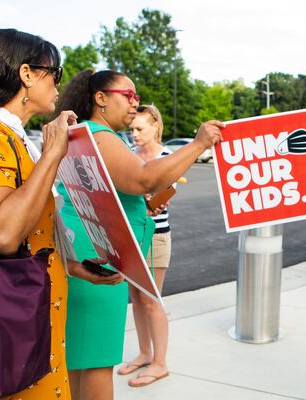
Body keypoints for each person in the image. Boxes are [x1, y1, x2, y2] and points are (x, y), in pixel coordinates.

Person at [0, 29, 118, 400]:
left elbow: (30, 229)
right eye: (55, 71)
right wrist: (53, 153)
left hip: (28, 318)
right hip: (5, 326)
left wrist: (71, 264)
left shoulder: (11, 135)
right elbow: (3, 234)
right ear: (26, 74)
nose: (59, 83)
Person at [56, 70, 223, 398]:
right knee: (96, 362)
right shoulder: (100, 135)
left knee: (80, 359)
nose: (135, 102)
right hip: (101, 261)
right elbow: (144, 179)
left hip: (85, 253)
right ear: (101, 98)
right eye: (128, 95)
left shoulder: (82, 135)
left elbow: (106, 192)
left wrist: (139, 207)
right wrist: (200, 143)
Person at [115, 104, 172, 385]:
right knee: (136, 299)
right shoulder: (130, 157)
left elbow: (160, 200)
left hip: (156, 236)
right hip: (132, 235)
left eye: (139, 129)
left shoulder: (167, 157)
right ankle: (145, 353)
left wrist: (146, 200)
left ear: (155, 127)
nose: (134, 134)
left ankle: (160, 363)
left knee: (151, 300)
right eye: (131, 129)